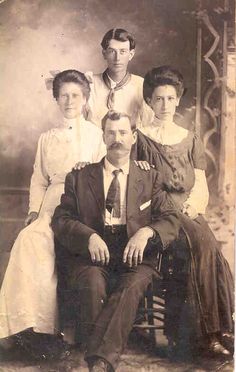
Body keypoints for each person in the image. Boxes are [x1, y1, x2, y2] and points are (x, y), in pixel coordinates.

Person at [51, 110, 181, 372]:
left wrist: (147, 233)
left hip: (137, 254)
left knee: (130, 286)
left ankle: (95, 359)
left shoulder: (150, 177)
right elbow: (61, 219)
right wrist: (89, 236)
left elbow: (171, 219)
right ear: (103, 137)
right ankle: (102, 359)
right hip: (94, 252)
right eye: (111, 133)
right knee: (91, 282)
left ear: (133, 137)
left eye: (123, 133)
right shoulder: (79, 177)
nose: (117, 139)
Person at [0, 70, 106, 357]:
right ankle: (29, 327)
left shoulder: (97, 135)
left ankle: (52, 329)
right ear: (56, 99)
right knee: (30, 239)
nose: (69, 101)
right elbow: (39, 178)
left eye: (75, 95)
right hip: (50, 203)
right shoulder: (47, 138)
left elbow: (106, 175)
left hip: (82, 204)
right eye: (64, 95)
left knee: (57, 245)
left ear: (85, 99)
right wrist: (34, 210)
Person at [131, 66, 234, 356]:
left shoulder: (189, 138)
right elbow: (133, 187)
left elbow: (200, 184)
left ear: (178, 101)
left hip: (187, 211)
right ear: (149, 102)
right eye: (158, 99)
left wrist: (191, 207)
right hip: (157, 214)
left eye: (170, 98)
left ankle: (216, 331)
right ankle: (202, 337)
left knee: (210, 250)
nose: (164, 105)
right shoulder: (139, 139)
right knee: (200, 246)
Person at [86, 28, 153, 128]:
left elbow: (148, 126)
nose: (117, 58)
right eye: (112, 51)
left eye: (123, 52)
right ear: (104, 54)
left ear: (131, 55)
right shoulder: (90, 84)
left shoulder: (142, 86)